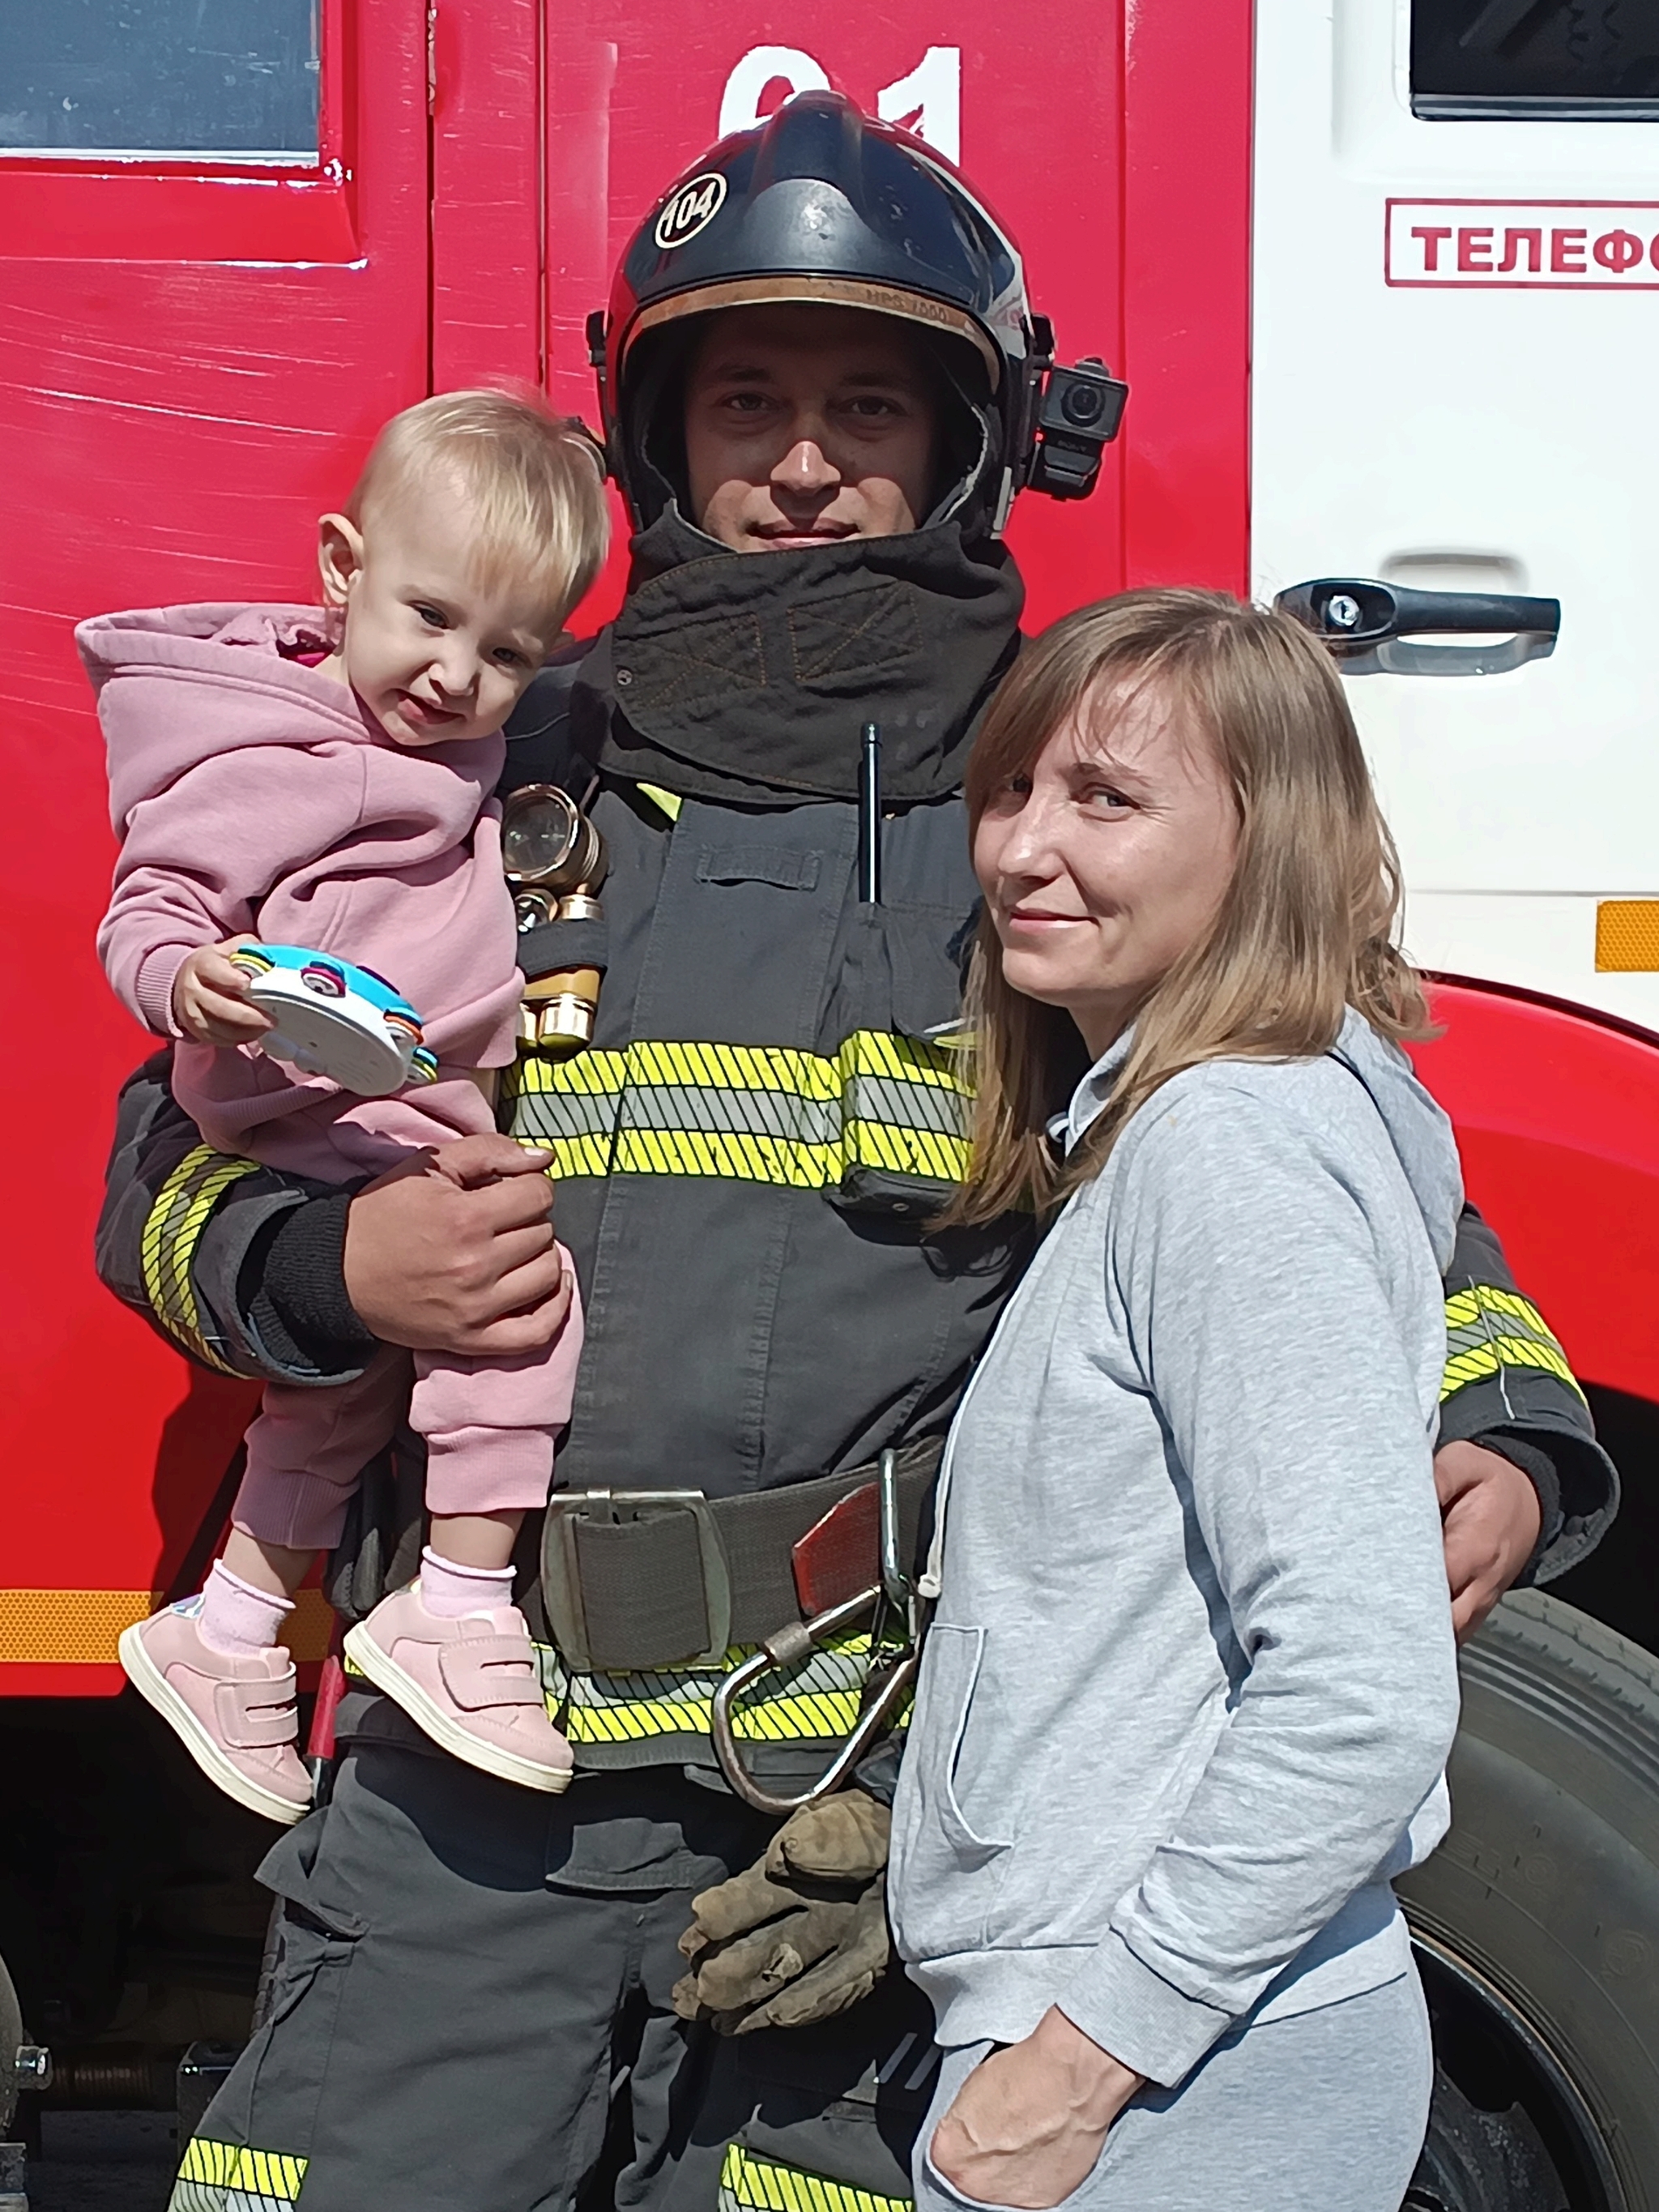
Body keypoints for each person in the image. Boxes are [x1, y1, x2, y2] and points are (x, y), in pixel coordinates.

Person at [91, 96, 1614, 2212]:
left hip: (878, 1795)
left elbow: (1297, 1117)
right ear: (656, 440)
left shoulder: (1052, 802)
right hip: (482, 1747)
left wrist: (1494, 1414)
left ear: (967, 442)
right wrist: (335, 1276)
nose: (803, 460)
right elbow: (172, 1155)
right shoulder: (489, 770)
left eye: (865, 408)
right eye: (749, 403)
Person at [889, 588, 1463, 2211]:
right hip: (1163, 2048)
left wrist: (1077, 2068)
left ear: (1262, 842)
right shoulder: (1213, 1122)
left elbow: (1361, 1692)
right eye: (1012, 789)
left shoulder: (1227, 1147)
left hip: (1166, 2077)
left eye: (1106, 799)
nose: (1021, 850)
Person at [83, 391, 606, 1821]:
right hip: (320, 1095)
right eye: (430, 617)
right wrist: (188, 979)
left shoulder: (449, 753)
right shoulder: (285, 755)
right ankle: (460, 1600)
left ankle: (230, 1629)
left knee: (344, 1389)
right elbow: (152, 903)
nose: (456, 674)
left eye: (509, 654)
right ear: (341, 567)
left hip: (385, 1100)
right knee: (519, 1305)